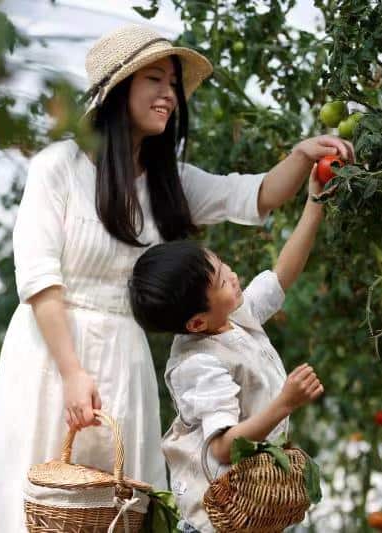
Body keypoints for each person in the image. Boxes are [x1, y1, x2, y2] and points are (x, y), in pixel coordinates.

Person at [0, 24, 352, 532]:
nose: (169, 94)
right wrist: (71, 373)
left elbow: (256, 195)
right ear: (118, 92)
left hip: (124, 359)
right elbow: (40, 279)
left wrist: (302, 155)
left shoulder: (167, 181)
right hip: (51, 354)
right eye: (154, 80)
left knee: (119, 504)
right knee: (40, 497)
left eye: (173, 84)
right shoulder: (58, 168)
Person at [128, 169, 327, 533]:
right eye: (220, 279)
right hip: (217, 520)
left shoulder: (230, 317)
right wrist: (285, 402)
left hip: (254, 507)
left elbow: (281, 276)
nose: (232, 274)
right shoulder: (198, 364)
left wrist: (315, 203)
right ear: (196, 324)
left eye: (220, 264)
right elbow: (223, 448)